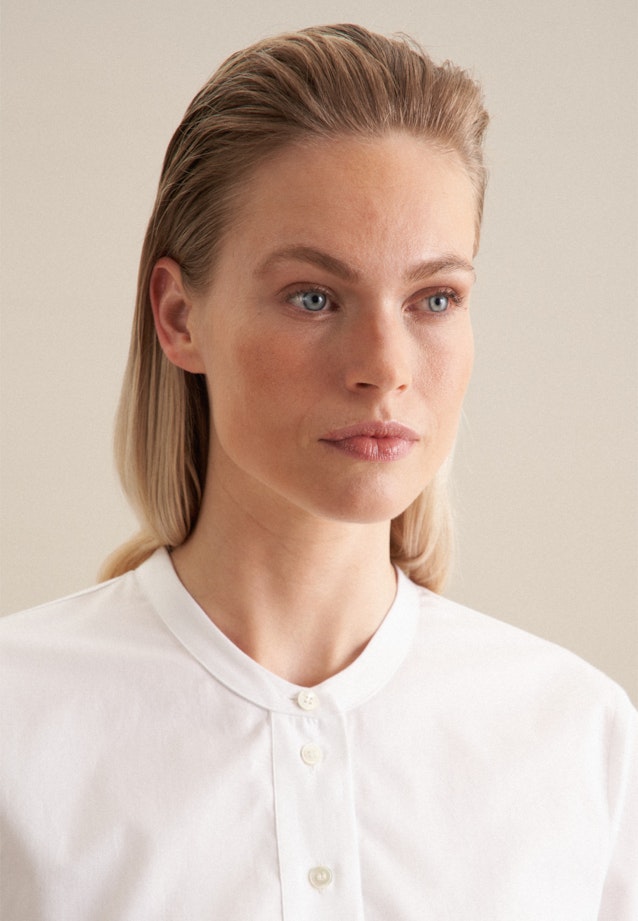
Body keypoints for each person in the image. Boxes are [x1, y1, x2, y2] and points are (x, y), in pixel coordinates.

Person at [0, 24, 635, 920]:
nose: (385, 366)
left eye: (434, 298)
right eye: (314, 297)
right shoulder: (19, 722)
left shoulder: (576, 738)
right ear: (179, 317)